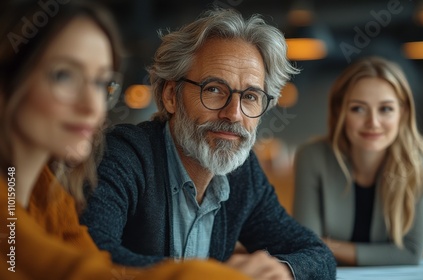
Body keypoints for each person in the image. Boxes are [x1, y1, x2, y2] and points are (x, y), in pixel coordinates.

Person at [0, 1, 252, 279]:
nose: (92, 106)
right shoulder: (127, 152)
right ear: (9, 80)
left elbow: (96, 265)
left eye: (100, 83)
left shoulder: (48, 192)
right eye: (65, 76)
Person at [80, 8, 336, 280]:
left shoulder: (243, 175)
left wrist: (283, 270)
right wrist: (215, 275)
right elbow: (94, 255)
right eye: (214, 90)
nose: (234, 114)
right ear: (170, 96)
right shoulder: (123, 156)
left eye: (250, 96)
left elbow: (317, 254)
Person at [293, 56, 423, 266]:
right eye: (358, 108)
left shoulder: (415, 162)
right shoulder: (312, 157)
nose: (373, 123)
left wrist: (330, 246)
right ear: (340, 111)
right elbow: (306, 246)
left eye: (386, 109)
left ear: (402, 113)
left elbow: (411, 252)